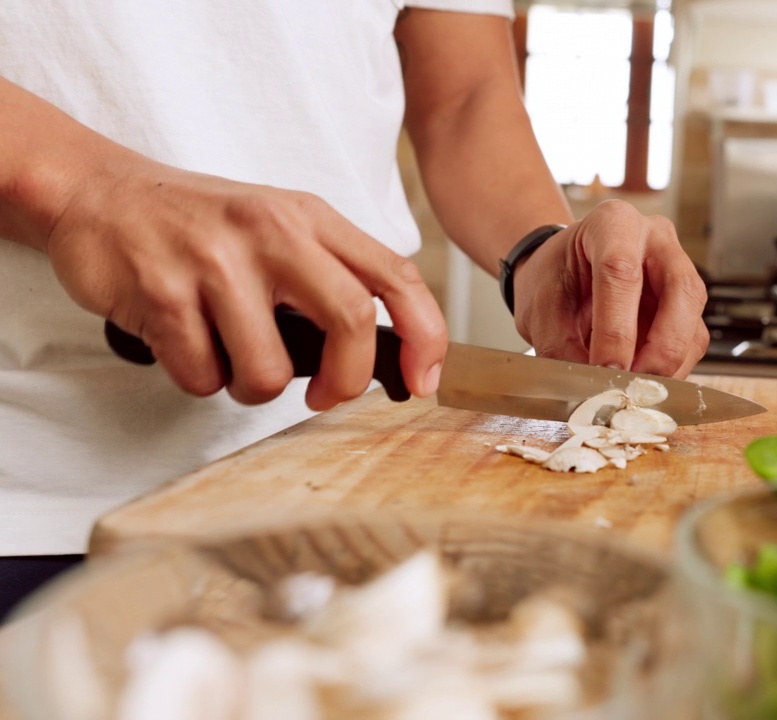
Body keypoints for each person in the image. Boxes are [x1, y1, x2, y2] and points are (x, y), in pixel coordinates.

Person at [0, 1, 710, 619]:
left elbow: (465, 96)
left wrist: (538, 249)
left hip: (344, 471)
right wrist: (77, 191)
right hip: (28, 500)